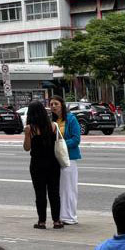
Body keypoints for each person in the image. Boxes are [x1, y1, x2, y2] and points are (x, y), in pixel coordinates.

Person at [22, 100, 62, 229]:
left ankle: (42, 221)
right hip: (53, 163)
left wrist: (27, 134)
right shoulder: (53, 126)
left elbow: (27, 148)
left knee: (40, 193)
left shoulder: (30, 129)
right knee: (54, 192)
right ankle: (57, 221)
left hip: (37, 164)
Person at [50, 96, 82, 225]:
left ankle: (70, 216)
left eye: (56, 103)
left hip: (69, 158)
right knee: (59, 189)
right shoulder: (52, 120)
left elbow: (76, 139)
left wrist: (61, 144)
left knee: (69, 188)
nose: (53, 106)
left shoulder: (71, 119)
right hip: (55, 158)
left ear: (62, 105)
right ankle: (61, 216)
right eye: (51, 104)